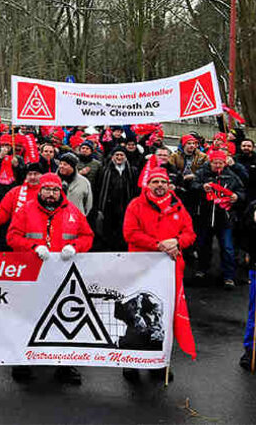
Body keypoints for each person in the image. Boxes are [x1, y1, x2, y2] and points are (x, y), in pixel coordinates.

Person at [7, 172, 93, 385]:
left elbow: (88, 236)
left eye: (55, 190)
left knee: (64, 319)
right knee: (28, 317)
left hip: (62, 276)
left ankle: (64, 363)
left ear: (60, 191)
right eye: (47, 189)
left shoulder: (72, 211)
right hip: (32, 273)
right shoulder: (26, 210)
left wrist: (75, 246)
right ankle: (23, 360)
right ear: (41, 190)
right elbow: (12, 236)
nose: (51, 194)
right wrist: (33, 246)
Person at [121, 167, 195, 383]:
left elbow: (190, 233)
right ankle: (132, 363)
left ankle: (158, 362)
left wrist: (178, 242)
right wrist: (159, 245)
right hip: (140, 267)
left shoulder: (178, 205)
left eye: (163, 182)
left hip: (170, 270)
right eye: (155, 182)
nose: (160, 185)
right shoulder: (135, 205)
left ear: (168, 184)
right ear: (148, 184)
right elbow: (130, 233)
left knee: (162, 317)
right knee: (136, 315)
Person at [191, 149, 246, 287]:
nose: (218, 165)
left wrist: (237, 196)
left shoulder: (232, 176)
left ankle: (229, 276)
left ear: (224, 163)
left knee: (227, 248)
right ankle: (202, 269)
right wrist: (202, 187)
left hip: (224, 219)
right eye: (215, 162)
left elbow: (241, 191)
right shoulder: (202, 173)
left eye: (220, 163)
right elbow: (193, 186)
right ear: (210, 162)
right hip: (205, 217)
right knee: (203, 245)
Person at [0, 161, 45, 251]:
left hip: (42, 243)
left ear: (42, 175)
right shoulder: (15, 192)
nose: (32, 177)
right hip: (19, 242)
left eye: (36, 174)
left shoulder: (48, 194)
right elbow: (3, 213)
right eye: (30, 174)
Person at [93, 147, 139, 251]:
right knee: (108, 235)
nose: (119, 157)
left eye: (121, 155)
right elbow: (98, 189)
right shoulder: (104, 170)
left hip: (126, 208)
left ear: (125, 157)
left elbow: (135, 190)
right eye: (117, 155)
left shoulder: (132, 171)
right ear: (112, 157)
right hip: (108, 209)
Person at [57, 152, 92, 217]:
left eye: (65, 164)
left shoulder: (84, 182)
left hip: (76, 219)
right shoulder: (53, 180)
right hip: (57, 219)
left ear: (72, 166)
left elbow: (88, 204)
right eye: (60, 163)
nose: (61, 166)